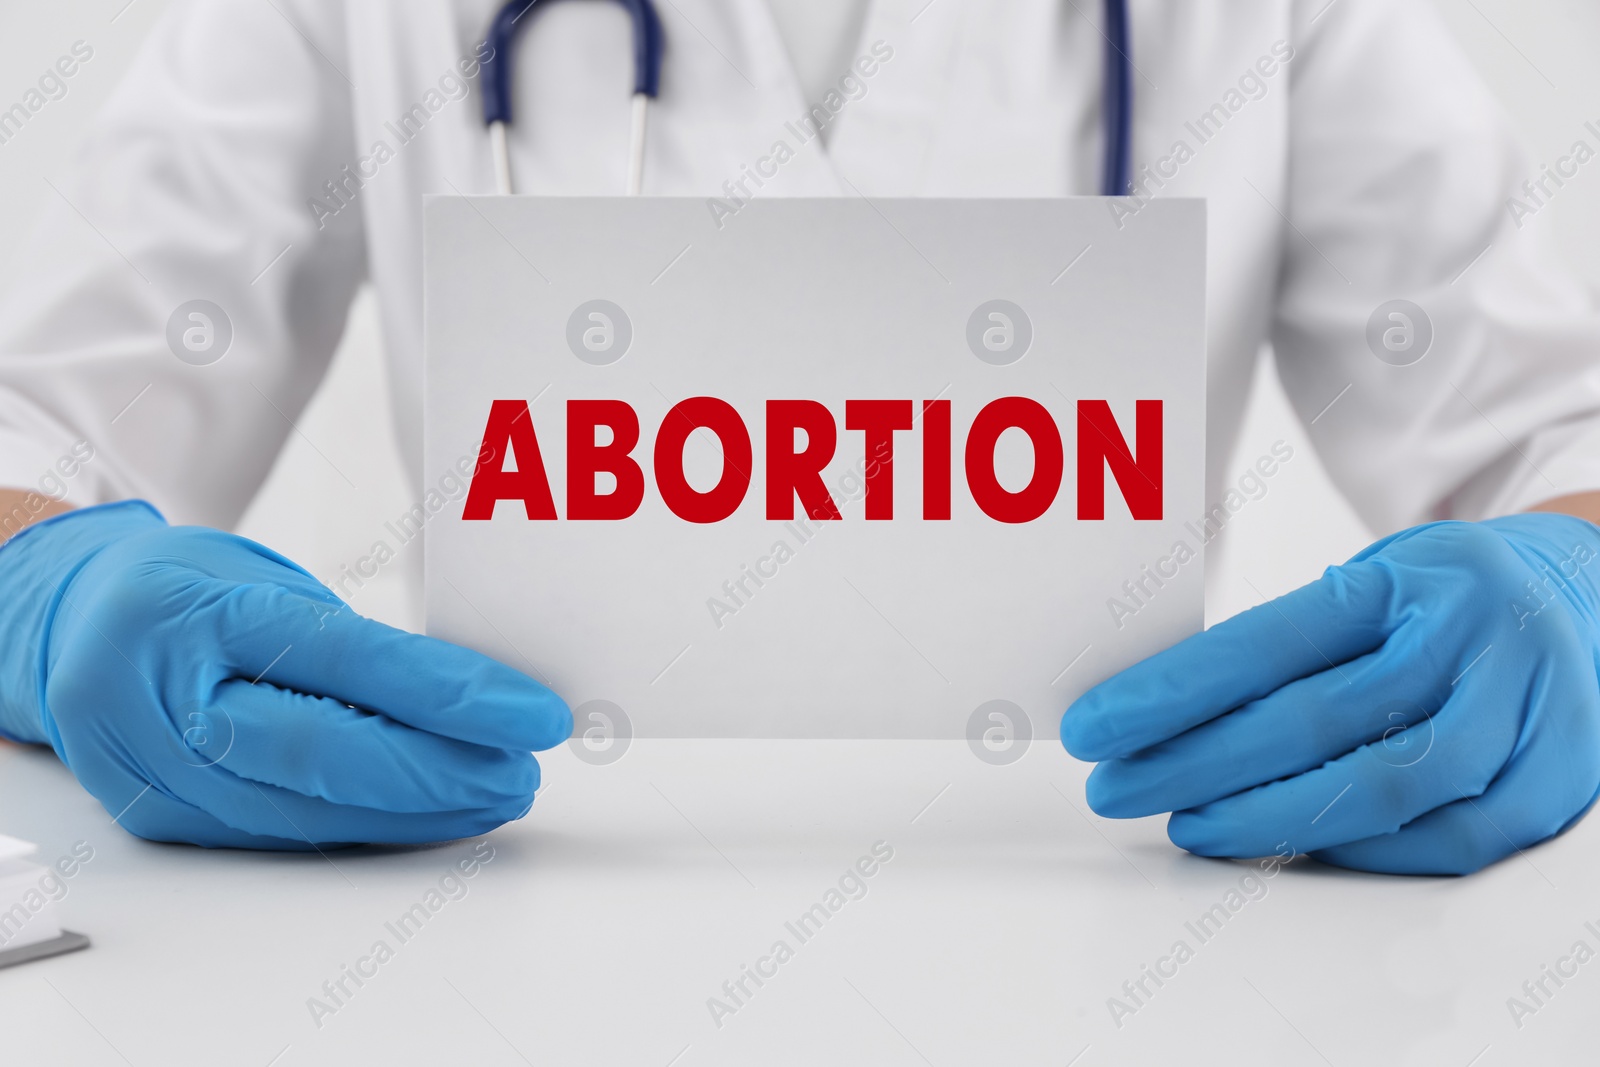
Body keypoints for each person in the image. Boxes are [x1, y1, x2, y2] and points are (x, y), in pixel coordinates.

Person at [1, 0, 1597, 870]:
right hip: (520, 893)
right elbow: (37, 431)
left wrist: (1567, 592)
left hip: (1101, 906)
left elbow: (1562, 437)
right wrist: (50, 589)